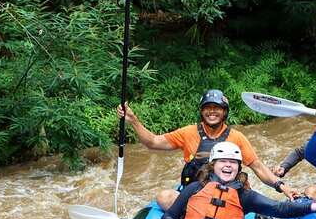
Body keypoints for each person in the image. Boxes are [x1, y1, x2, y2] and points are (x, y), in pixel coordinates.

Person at [117, 89, 300, 210]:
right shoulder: (188, 132)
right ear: (201, 111)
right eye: (207, 108)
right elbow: (153, 142)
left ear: (224, 112)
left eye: (217, 108)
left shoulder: (237, 137)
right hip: (197, 195)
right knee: (165, 197)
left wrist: (282, 187)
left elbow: (259, 168)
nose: (212, 111)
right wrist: (132, 119)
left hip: (229, 197)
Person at [163, 142, 316, 219]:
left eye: (233, 162)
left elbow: (278, 208)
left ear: (238, 167)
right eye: (223, 161)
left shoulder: (244, 195)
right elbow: (170, 214)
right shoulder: (195, 188)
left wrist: (311, 207)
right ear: (213, 165)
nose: (228, 165)